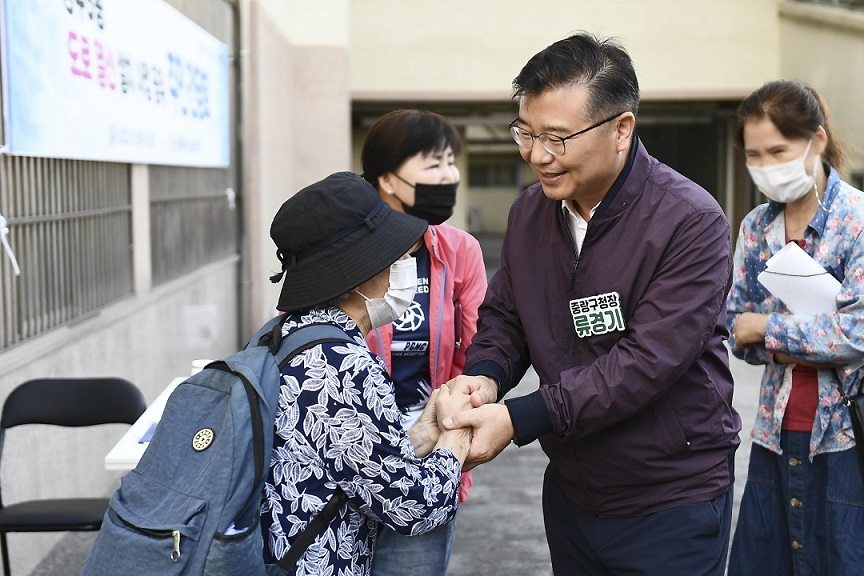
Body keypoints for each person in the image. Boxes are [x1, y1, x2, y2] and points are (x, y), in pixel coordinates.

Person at [441, 33, 742, 575]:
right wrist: (485, 376)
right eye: (526, 133)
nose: (537, 155)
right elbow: (507, 315)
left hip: (669, 497)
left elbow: (646, 362)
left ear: (621, 129)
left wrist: (520, 417)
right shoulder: (531, 212)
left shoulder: (690, 221)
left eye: (557, 138)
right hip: (573, 491)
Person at [261, 171, 472, 575]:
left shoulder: (284, 336)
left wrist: (423, 433)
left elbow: (355, 459)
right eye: (395, 256)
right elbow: (414, 506)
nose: (407, 265)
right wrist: (454, 438)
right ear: (359, 272)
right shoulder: (343, 367)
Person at [725, 80, 864, 575]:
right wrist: (802, 337)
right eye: (754, 155)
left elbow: (856, 333)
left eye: (778, 151)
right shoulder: (756, 227)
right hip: (774, 434)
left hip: (845, 438)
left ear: (816, 141)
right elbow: (734, 326)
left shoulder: (857, 221)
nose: (766, 166)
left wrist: (769, 329)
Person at [358, 109, 487, 576]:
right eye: (434, 164)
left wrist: (452, 433)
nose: (449, 175)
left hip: (425, 463)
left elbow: (479, 351)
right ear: (387, 179)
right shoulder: (342, 250)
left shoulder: (459, 250)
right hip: (348, 451)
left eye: (451, 162)